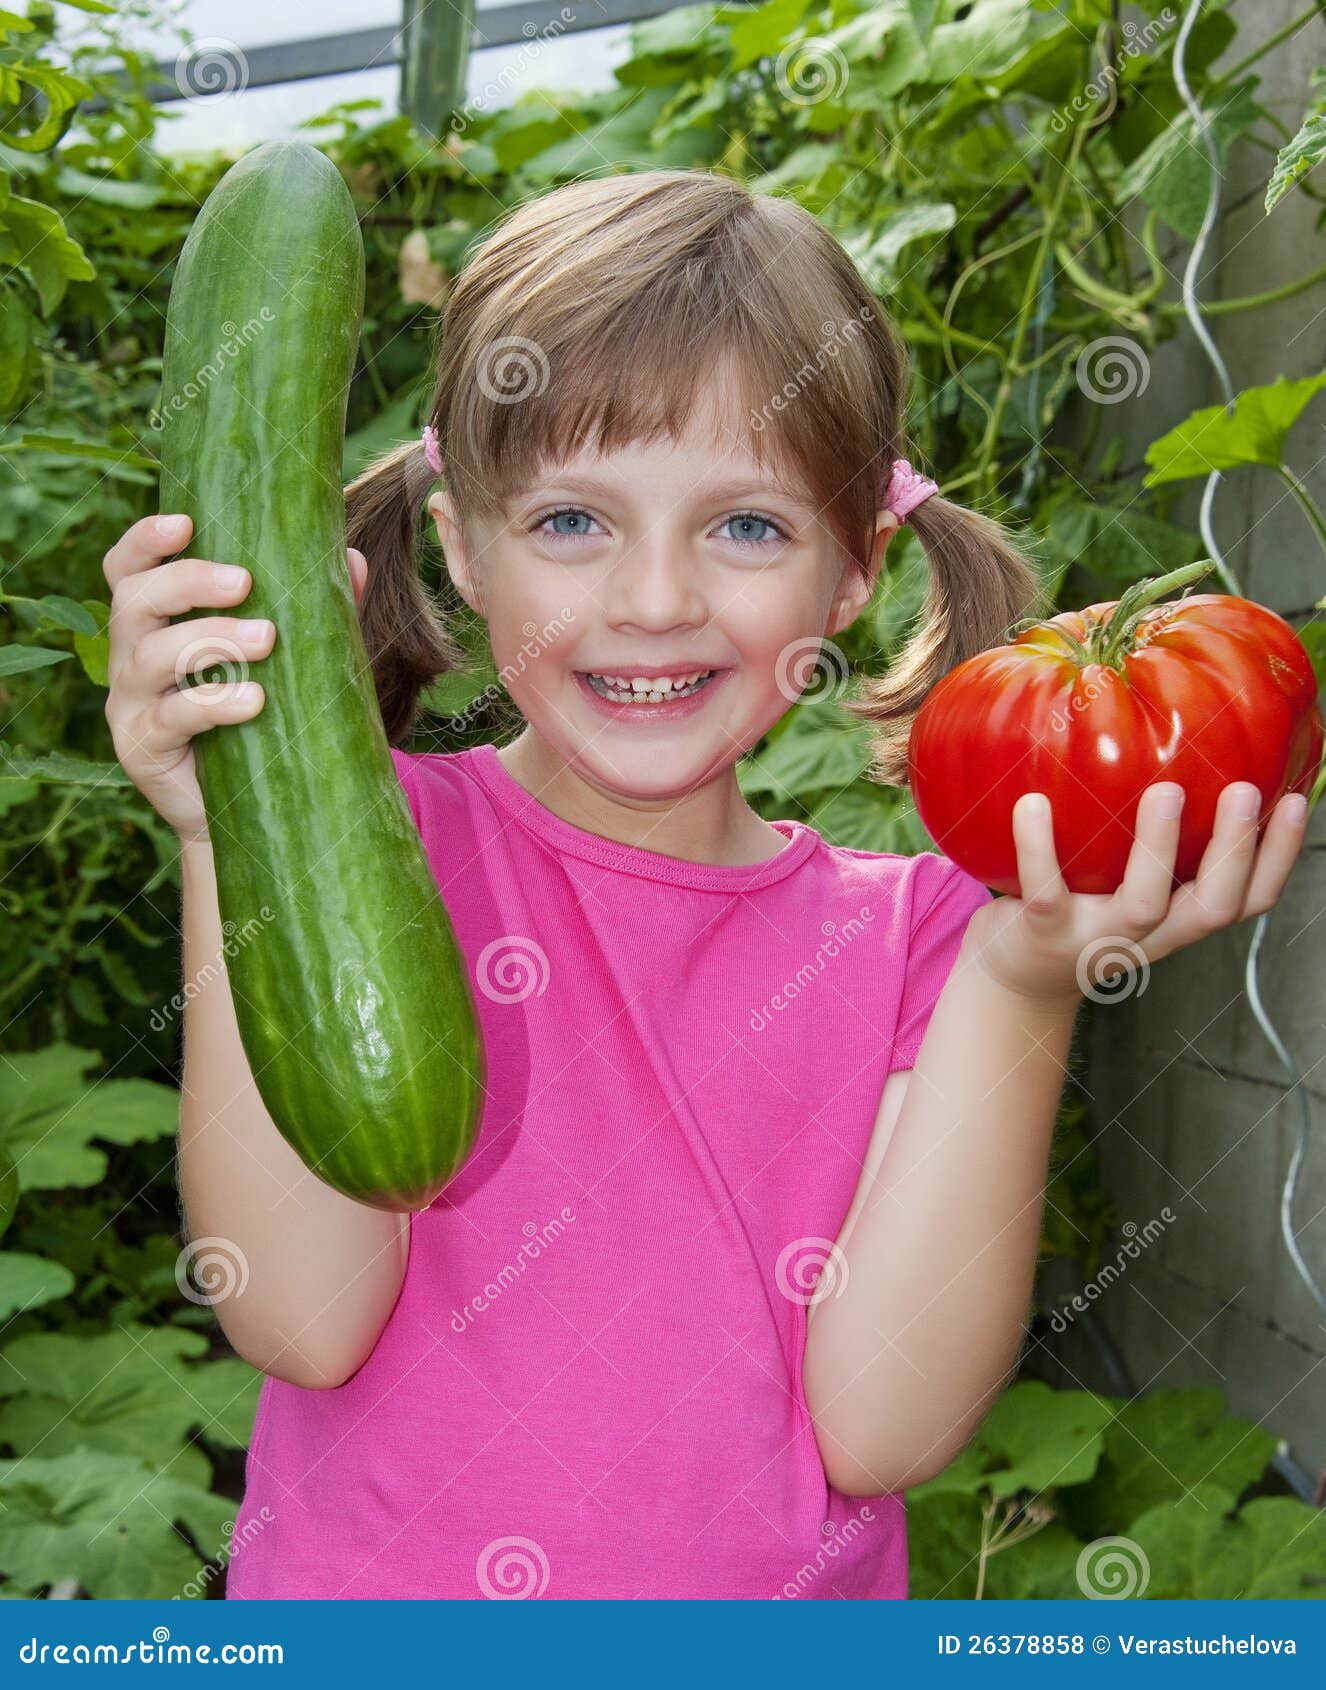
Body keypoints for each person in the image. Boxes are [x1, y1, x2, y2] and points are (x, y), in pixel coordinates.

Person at [102, 168, 1309, 1600]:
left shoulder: (930, 942)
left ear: (853, 567)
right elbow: (300, 1316)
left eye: (744, 526)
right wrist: (223, 827)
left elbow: (884, 1424)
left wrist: (1022, 980)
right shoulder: (374, 854)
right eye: (570, 522)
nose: (654, 598)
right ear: (460, 546)